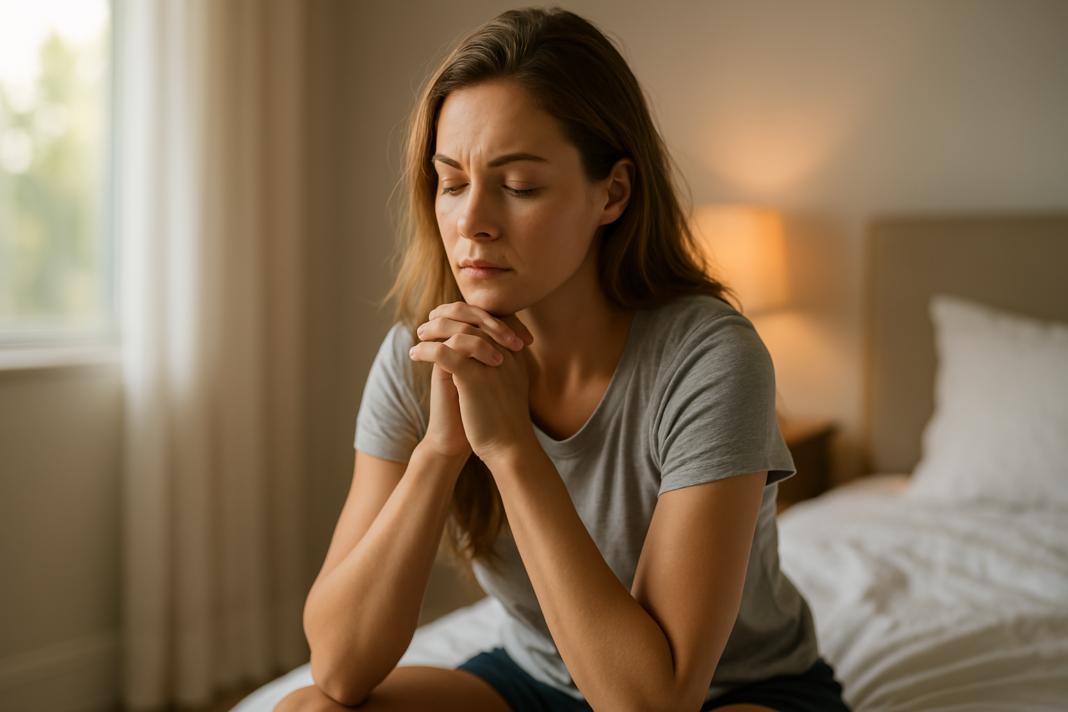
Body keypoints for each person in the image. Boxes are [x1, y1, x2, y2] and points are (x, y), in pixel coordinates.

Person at [276, 8, 849, 712]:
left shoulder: (710, 360)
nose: (473, 221)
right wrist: (440, 451)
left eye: (518, 186)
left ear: (612, 193)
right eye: (452, 182)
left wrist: (513, 450)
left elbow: (651, 703)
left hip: (725, 692)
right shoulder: (420, 354)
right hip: (538, 681)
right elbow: (336, 666)